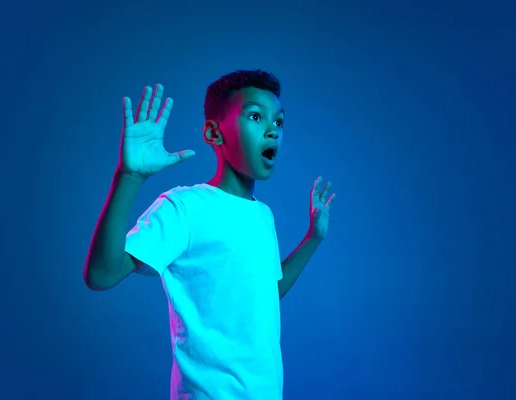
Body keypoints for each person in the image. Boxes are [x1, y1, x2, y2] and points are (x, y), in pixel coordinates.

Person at [83, 70, 336, 400]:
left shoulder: (262, 214)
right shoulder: (185, 207)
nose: (273, 130)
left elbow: (263, 296)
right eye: (256, 116)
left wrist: (312, 238)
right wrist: (129, 176)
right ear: (214, 133)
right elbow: (102, 275)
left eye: (279, 121)